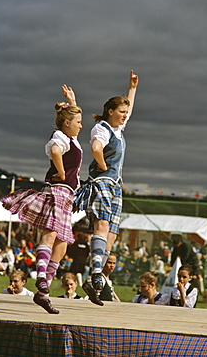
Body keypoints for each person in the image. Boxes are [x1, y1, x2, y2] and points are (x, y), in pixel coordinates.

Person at [1, 87, 83, 314]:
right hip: (58, 190)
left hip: (66, 195)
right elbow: (56, 151)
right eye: (78, 121)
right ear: (67, 123)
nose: (81, 125)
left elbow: (69, 134)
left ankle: (42, 292)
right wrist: (61, 172)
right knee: (51, 233)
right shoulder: (60, 137)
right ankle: (42, 278)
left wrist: (72, 101)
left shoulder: (71, 138)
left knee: (63, 242)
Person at [73, 70, 139, 305]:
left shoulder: (118, 128)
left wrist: (132, 87)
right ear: (110, 112)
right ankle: (97, 276)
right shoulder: (102, 128)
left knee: (111, 235)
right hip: (102, 183)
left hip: (115, 185)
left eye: (125, 112)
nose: (124, 116)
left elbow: (128, 110)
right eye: (120, 112)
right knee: (101, 226)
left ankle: (95, 277)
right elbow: (96, 148)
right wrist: (102, 166)